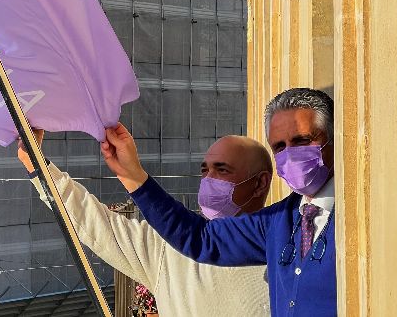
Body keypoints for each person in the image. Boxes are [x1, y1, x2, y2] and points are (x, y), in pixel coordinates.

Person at [100, 88, 337, 317]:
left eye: (302, 140)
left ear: (334, 139)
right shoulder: (276, 221)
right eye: (279, 147)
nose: (290, 154)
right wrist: (134, 177)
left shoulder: (360, 214)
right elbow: (201, 238)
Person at [18, 130, 272, 316]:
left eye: (223, 170)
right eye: (205, 171)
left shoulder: (287, 242)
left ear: (260, 183)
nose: (208, 180)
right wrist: (38, 167)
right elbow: (91, 222)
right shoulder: (166, 247)